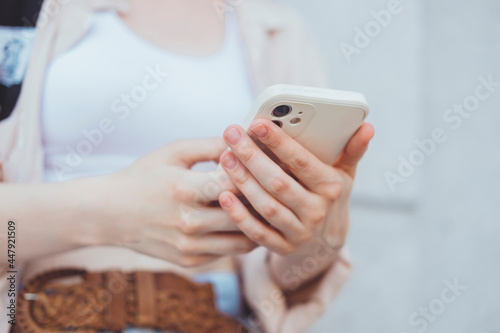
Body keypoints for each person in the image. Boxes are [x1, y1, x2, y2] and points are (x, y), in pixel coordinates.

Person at [0, 0, 374, 332]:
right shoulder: (22, 12)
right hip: (48, 310)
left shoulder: (277, 29)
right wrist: (108, 214)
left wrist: (319, 233)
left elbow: (292, 282)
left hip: (213, 316)